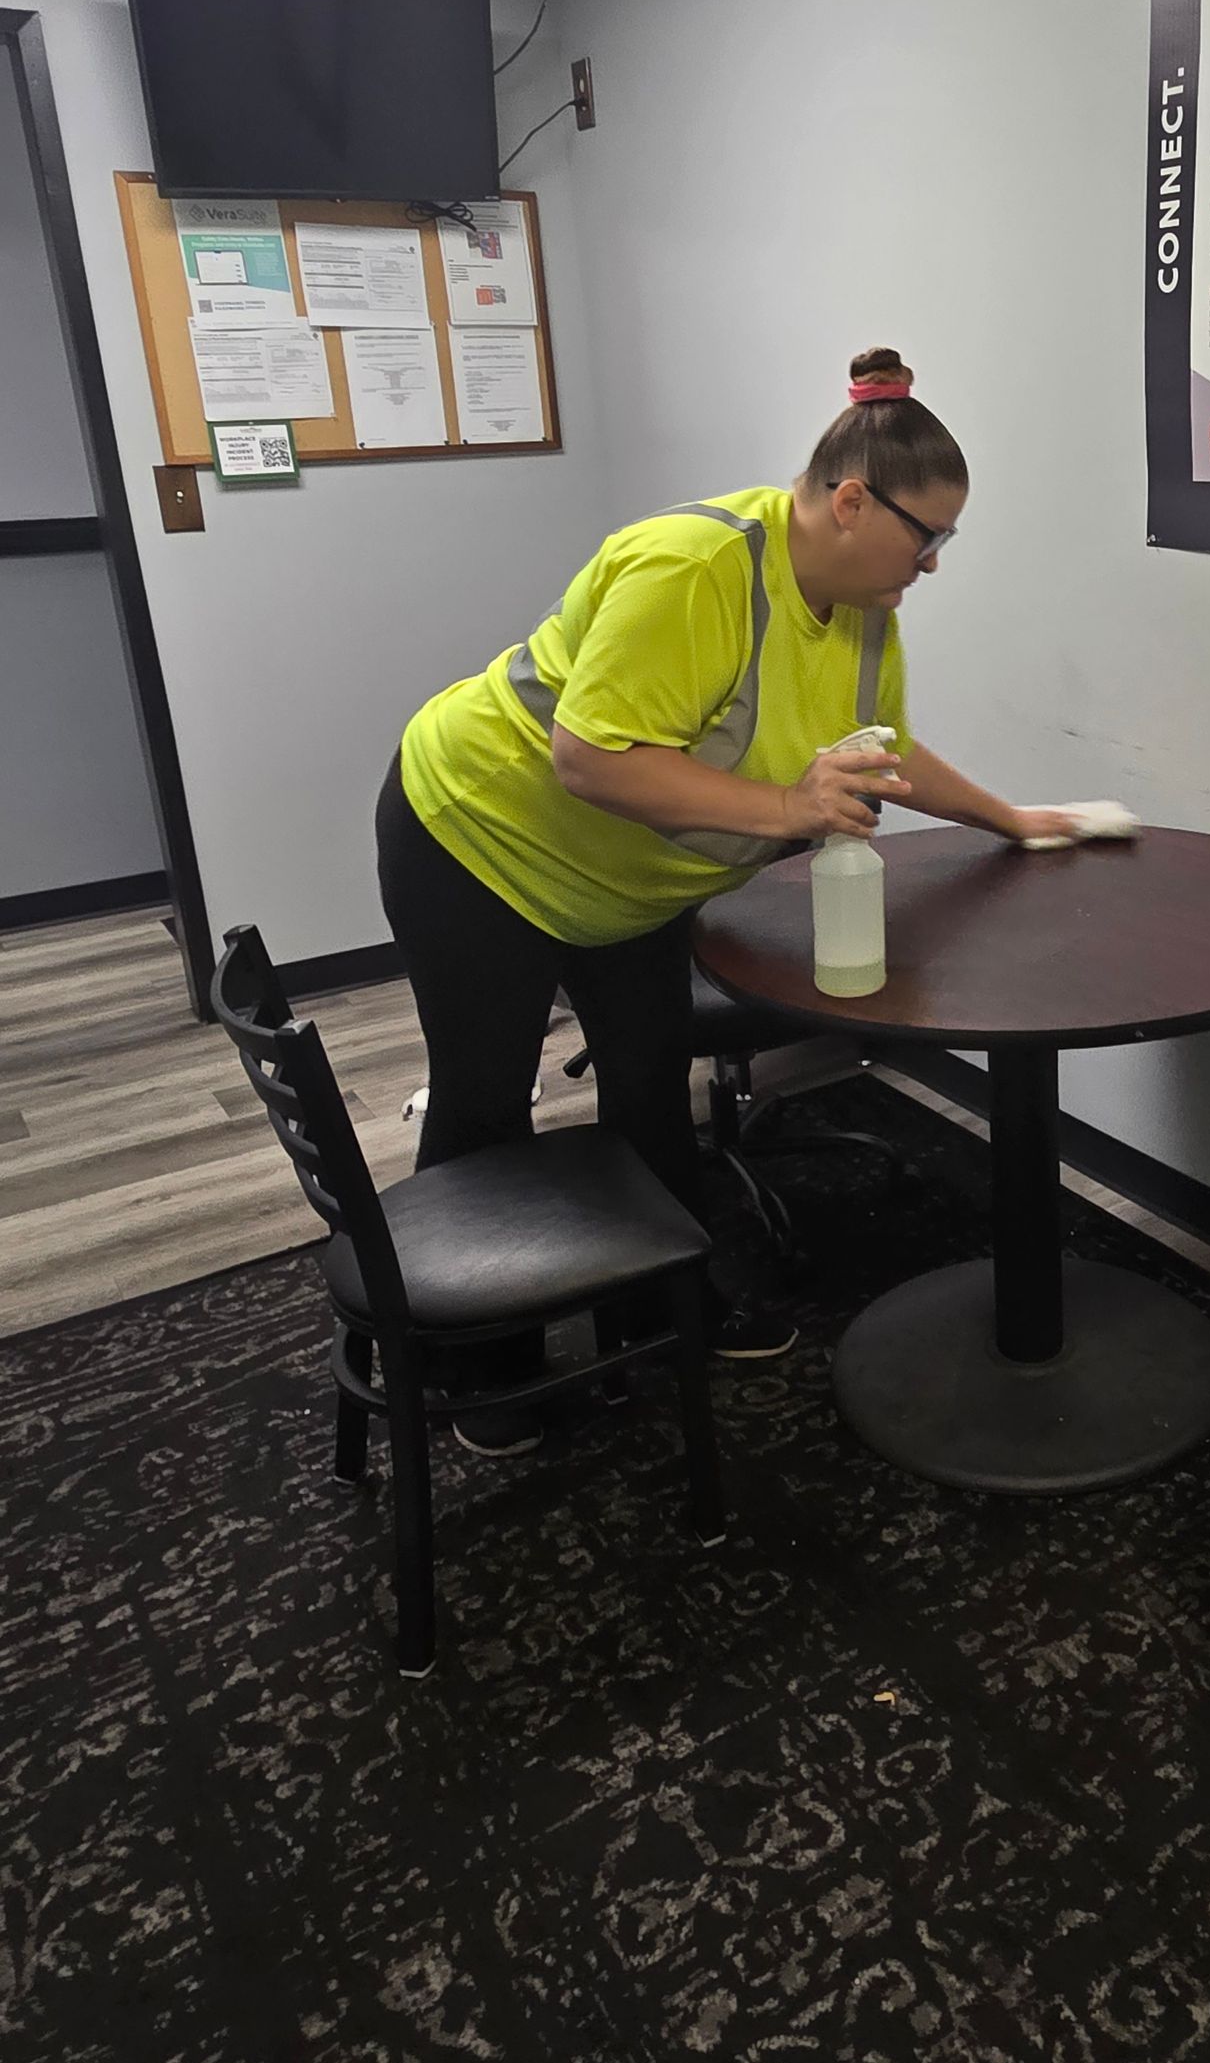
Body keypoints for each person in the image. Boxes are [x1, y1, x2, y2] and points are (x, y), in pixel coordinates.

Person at [376, 346, 1080, 1453]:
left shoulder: (864, 607)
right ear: (853, 502)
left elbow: (884, 752)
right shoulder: (697, 567)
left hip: (630, 882)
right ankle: (479, 1366)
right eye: (927, 537)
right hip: (481, 836)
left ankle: (663, 1313)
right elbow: (589, 758)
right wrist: (790, 806)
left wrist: (1013, 818)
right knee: (485, 1097)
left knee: (650, 1085)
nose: (934, 564)